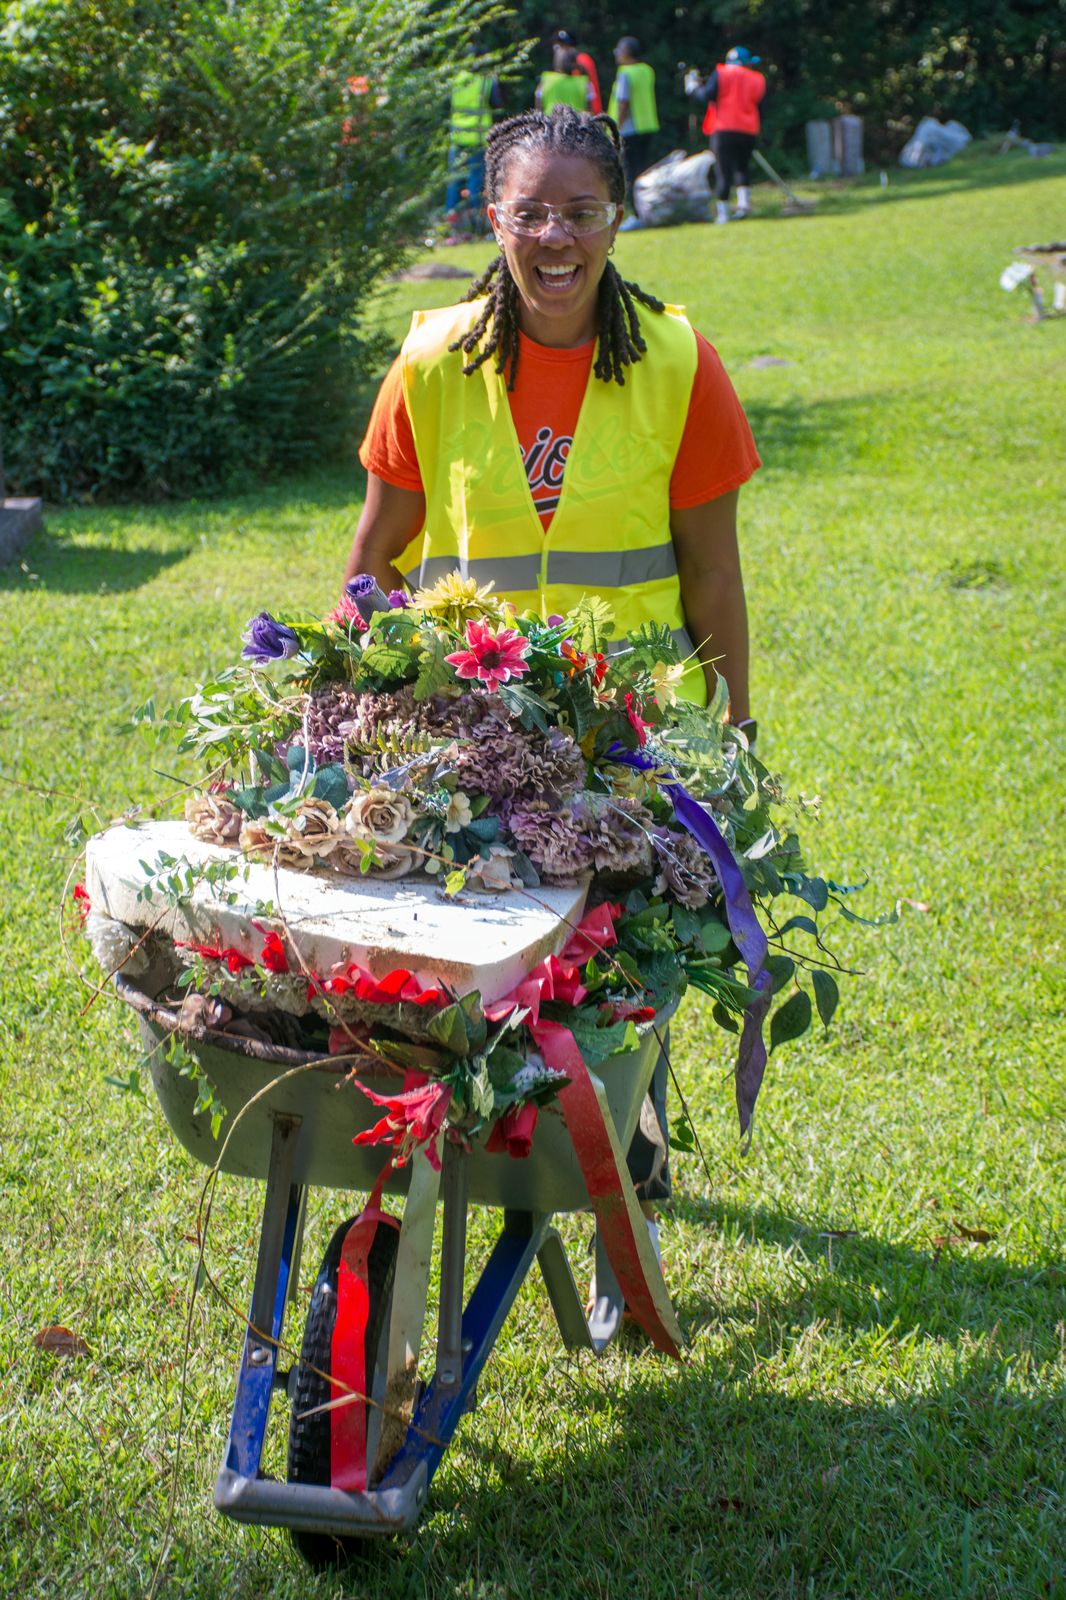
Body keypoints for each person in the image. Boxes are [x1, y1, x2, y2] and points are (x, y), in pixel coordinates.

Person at [344, 107, 760, 1257]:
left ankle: (627, 1151)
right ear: (493, 218)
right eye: (530, 212)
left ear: (617, 217)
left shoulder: (677, 361)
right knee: (483, 960)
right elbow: (372, 562)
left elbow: (712, 574)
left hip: (630, 738)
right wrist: (352, 699)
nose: (555, 238)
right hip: (469, 730)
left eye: (580, 211)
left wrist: (736, 726)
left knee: (619, 966)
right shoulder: (432, 361)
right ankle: (494, 1145)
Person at [686, 46, 765, 223]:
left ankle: (723, 213)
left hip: (724, 128)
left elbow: (707, 95)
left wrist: (693, 89)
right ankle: (744, 205)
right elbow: (760, 103)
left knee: (723, 170)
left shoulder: (722, 73)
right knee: (742, 167)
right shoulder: (757, 78)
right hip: (748, 129)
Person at [445, 50, 504, 230]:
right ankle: (476, 223)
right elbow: (498, 104)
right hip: (477, 140)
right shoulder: (485, 82)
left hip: (457, 139)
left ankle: (450, 223)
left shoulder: (455, 80)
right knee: (475, 183)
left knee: (453, 182)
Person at [607, 37, 659, 198]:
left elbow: (623, 103)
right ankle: (647, 205)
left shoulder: (625, 73)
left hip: (630, 129)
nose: (616, 53)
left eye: (619, 50)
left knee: (632, 173)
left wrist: (615, 129)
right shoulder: (647, 70)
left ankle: (638, 211)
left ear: (627, 53)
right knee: (644, 170)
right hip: (648, 126)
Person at [551, 26, 602, 114]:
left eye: (563, 45)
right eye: (558, 45)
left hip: (581, 116)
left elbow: (590, 91)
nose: (559, 49)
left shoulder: (582, 60)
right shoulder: (557, 62)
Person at [536, 43, 594, 115]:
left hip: (550, 123)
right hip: (576, 124)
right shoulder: (584, 82)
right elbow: (589, 112)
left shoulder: (545, 80)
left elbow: (538, 109)